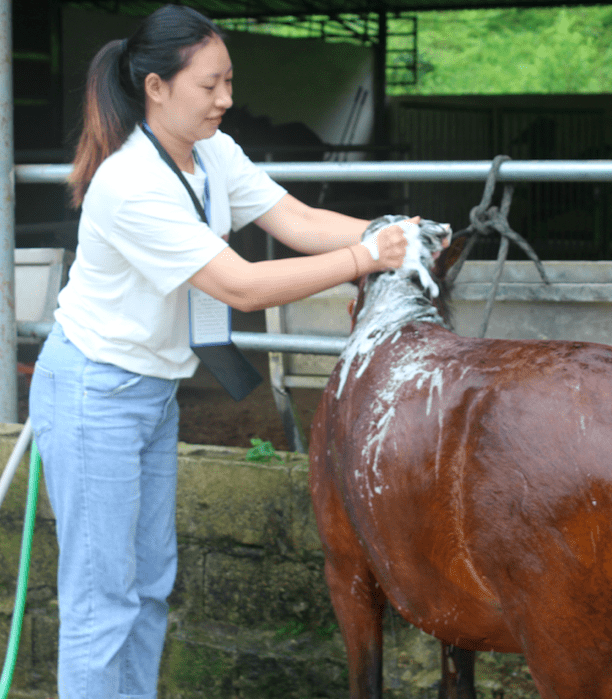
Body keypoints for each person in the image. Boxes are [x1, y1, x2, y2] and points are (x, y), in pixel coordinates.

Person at [29, 5, 411, 698]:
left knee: (149, 586)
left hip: (151, 391)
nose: (226, 99)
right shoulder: (129, 184)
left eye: (228, 81)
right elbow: (239, 286)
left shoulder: (214, 153)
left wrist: (392, 231)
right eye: (211, 85)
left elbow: (293, 218)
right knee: (100, 601)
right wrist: (365, 256)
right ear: (156, 88)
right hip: (94, 392)